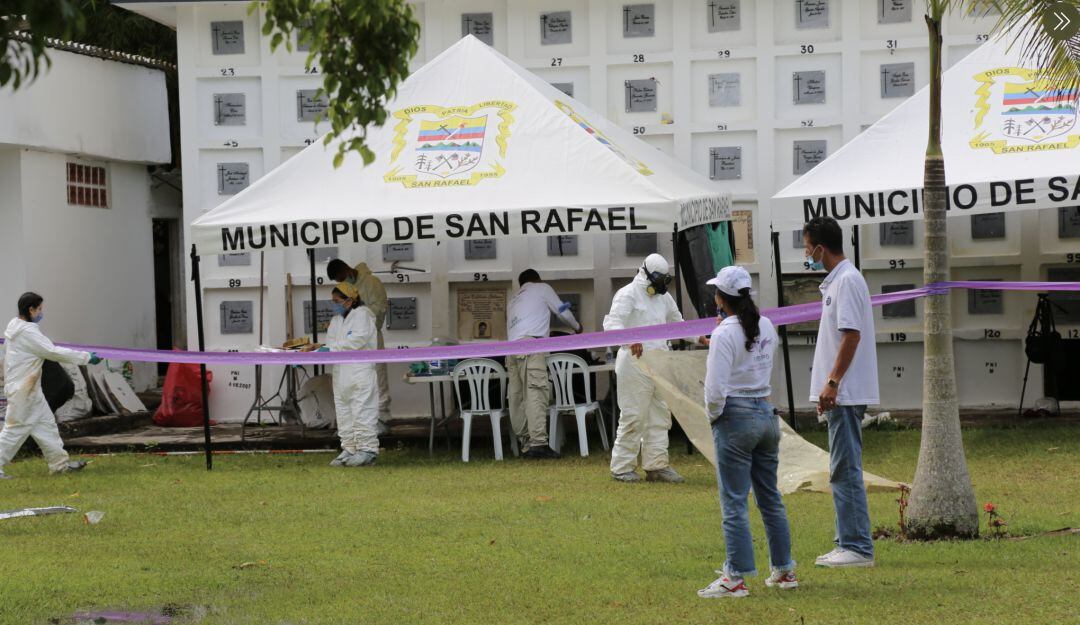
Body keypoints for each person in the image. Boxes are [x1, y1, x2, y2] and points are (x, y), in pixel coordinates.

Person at [697, 267, 796, 599]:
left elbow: (714, 392)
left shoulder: (725, 333)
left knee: (734, 501)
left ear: (722, 298)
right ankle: (784, 571)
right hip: (766, 413)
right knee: (770, 498)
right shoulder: (764, 323)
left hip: (736, 417)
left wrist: (715, 418)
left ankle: (735, 577)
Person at [803, 216, 879, 568]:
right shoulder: (837, 281)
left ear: (821, 248)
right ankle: (847, 541)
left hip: (845, 394)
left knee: (844, 469)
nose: (807, 254)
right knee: (841, 467)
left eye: (807, 248)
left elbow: (851, 335)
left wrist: (833, 382)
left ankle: (857, 546)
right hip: (839, 394)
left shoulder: (847, 280)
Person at [603, 253, 685, 483]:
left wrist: (701, 338)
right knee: (633, 415)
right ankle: (621, 467)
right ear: (646, 273)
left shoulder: (664, 298)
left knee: (660, 416)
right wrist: (629, 339)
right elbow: (611, 323)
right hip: (634, 363)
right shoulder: (627, 293)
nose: (660, 286)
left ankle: (657, 465)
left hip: (659, 361)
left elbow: (679, 324)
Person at [0, 292, 101, 478]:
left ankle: (59, 465)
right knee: (14, 431)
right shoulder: (28, 333)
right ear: (31, 309)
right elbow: (53, 352)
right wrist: (86, 357)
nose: (40, 313)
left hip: (29, 391)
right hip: (24, 392)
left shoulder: (15, 329)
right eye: (39, 309)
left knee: (47, 427)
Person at [506, 269, 582, 460]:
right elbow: (562, 311)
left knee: (517, 398)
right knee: (535, 393)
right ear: (537, 279)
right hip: (532, 347)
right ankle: (538, 444)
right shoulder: (542, 288)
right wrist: (577, 327)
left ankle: (526, 443)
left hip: (512, 350)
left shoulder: (513, 299)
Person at [307, 282, 380, 468]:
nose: (334, 304)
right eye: (333, 301)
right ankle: (349, 449)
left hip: (360, 372)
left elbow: (357, 341)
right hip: (340, 374)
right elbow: (330, 343)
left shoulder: (363, 315)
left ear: (350, 300)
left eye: (337, 301)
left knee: (362, 411)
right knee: (344, 413)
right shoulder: (336, 320)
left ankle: (367, 450)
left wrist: (330, 348)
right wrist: (321, 349)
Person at [327, 258, 391, 434]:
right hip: (353, 340)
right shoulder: (340, 314)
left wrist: (358, 313)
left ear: (347, 269)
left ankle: (381, 419)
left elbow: (381, 307)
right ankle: (355, 423)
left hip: (371, 338)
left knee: (377, 377)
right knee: (354, 383)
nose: (342, 283)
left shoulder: (372, 283)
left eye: (342, 278)